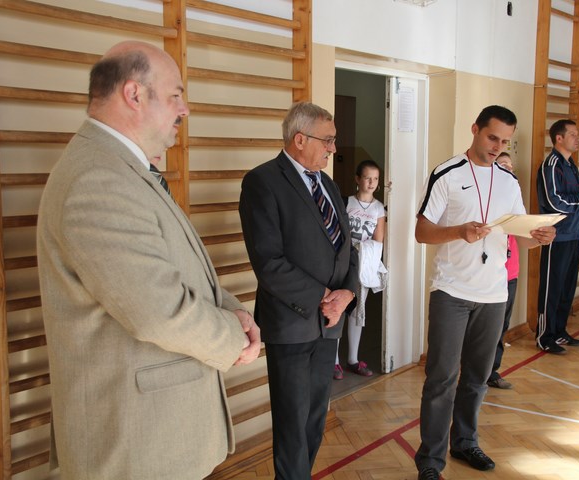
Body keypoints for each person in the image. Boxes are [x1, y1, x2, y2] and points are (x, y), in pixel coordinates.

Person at [36, 41, 261, 480]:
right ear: (134, 94)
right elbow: (159, 311)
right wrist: (234, 337)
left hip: (152, 439)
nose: (185, 109)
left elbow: (172, 269)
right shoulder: (98, 178)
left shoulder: (122, 168)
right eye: (175, 95)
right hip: (133, 446)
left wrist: (234, 311)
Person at [414, 105, 556, 480]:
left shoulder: (508, 182)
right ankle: (430, 460)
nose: (497, 147)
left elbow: (522, 238)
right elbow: (422, 232)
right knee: (441, 379)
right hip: (451, 291)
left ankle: (465, 442)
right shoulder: (446, 173)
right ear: (475, 129)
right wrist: (458, 231)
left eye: (505, 141)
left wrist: (540, 237)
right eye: (493, 137)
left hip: (494, 294)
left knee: (477, 377)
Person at [239, 102, 359, 480]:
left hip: (329, 323)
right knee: (292, 425)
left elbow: (348, 248)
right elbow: (268, 261)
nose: (333, 148)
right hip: (291, 323)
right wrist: (324, 296)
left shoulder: (328, 185)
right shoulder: (262, 182)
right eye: (328, 140)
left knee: (314, 420)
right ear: (300, 139)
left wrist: (347, 294)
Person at [536, 120, 579, 354]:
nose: (578, 138)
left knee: (567, 288)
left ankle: (559, 331)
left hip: (574, 234)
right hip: (556, 237)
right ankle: (544, 336)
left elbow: (575, 198)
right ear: (559, 138)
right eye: (573, 134)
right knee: (552, 289)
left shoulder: (570, 164)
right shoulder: (551, 165)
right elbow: (554, 201)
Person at [333, 159, 387, 380]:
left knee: (357, 314)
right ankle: (334, 361)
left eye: (375, 179)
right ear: (357, 179)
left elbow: (378, 241)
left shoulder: (379, 208)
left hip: (362, 267)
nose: (371, 182)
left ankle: (353, 359)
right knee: (339, 311)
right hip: (342, 266)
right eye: (367, 178)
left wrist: (362, 252)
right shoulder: (346, 202)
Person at [486, 152, 517, 390]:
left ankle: (492, 371)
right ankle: (478, 370)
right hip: (490, 273)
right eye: (503, 164)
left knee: (502, 326)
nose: (508, 169)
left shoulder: (514, 198)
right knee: (487, 327)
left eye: (510, 166)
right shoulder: (487, 200)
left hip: (511, 272)